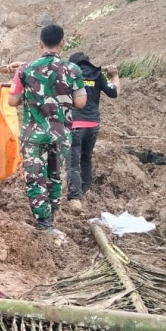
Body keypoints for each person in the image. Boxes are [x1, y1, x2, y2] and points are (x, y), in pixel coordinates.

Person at [7, 25, 86, 242]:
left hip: (34, 135)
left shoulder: (25, 70)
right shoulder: (74, 70)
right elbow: (80, 102)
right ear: (62, 43)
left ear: (40, 44)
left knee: (35, 178)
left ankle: (44, 223)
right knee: (54, 175)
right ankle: (51, 218)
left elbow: (12, 101)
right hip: (60, 133)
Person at [66, 52, 119, 212]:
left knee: (72, 164)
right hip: (93, 124)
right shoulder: (97, 75)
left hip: (75, 124)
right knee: (86, 158)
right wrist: (115, 75)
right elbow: (114, 92)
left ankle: (75, 198)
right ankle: (85, 189)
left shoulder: (70, 76)